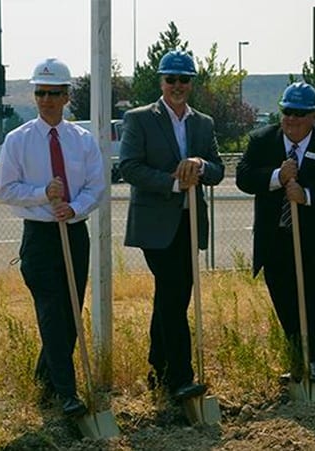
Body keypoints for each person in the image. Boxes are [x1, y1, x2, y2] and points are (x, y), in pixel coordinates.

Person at [0, 57, 105, 417]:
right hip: (40, 238)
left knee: (70, 313)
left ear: (66, 96)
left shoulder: (82, 140)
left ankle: (44, 383)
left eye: (53, 93)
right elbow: (7, 190)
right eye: (40, 92)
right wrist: (43, 192)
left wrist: (74, 208)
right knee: (50, 312)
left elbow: (96, 187)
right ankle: (68, 394)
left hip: (74, 234)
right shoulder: (18, 140)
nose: (45, 99)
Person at [119, 50, 224, 401]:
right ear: (160, 81)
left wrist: (200, 165)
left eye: (184, 79)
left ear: (192, 83)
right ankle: (181, 377)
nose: (177, 86)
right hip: (155, 223)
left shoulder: (203, 123)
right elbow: (130, 167)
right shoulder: (139, 119)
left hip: (189, 221)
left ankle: (158, 368)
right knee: (174, 288)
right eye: (171, 79)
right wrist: (174, 182)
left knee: (172, 295)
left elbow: (218, 169)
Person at [235, 82, 315, 383]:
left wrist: (308, 195)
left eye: (301, 113)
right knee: (286, 304)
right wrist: (277, 177)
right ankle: (296, 359)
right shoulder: (262, 140)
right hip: (276, 241)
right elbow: (244, 176)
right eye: (288, 112)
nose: (293, 119)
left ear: (314, 115)